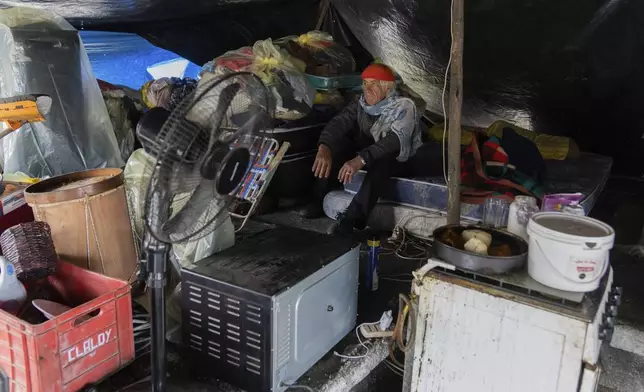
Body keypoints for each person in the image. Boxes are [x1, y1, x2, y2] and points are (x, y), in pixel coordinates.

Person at [300, 63, 440, 235]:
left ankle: (352, 220)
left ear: (388, 87)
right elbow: (339, 123)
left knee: (383, 162)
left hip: (404, 157)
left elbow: (394, 141)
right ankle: (317, 200)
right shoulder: (361, 103)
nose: (368, 88)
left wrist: (361, 159)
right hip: (372, 152)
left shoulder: (404, 106)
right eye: (365, 83)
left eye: (374, 83)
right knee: (337, 147)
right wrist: (325, 146)